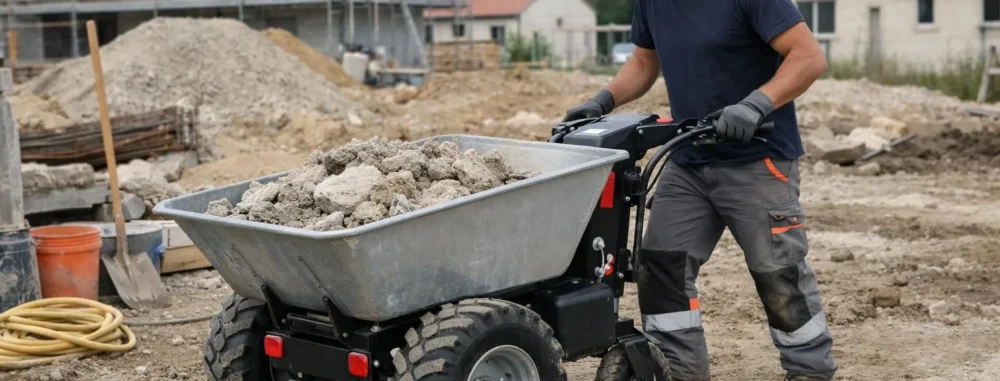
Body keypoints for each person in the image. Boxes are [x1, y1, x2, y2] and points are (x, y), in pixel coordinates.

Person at [562, 1, 836, 380]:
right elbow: (643, 64)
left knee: (778, 274)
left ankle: (810, 371)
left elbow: (808, 57)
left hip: (758, 159)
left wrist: (756, 104)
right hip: (688, 159)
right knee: (661, 266)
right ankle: (679, 369)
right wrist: (601, 101)